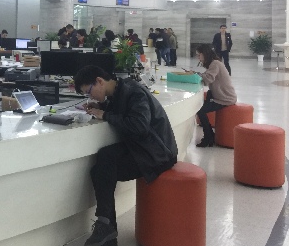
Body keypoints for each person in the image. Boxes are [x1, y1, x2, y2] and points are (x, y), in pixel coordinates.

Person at [74, 66, 178, 246]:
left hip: (158, 154)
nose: (90, 97)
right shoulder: (119, 91)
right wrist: (103, 107)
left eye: (89, 91)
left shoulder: (134, 92)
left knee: (103, 170)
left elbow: (139, 126)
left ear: (99, 81)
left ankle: (106, 227)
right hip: (143, 148)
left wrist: (105, 114)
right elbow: (125, 111)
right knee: (103, 162)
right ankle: (106, 227)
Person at [193, 44, 237, 147]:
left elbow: (207, 79)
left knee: (200, 110)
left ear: (205, 54)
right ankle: (210, 135)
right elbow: (207, 77)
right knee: (205, 100)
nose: (198, 57)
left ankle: (208, 136)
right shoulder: (214, 63)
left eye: (199, 55)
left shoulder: (215, 64)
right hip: (221, 96)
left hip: (225, 98)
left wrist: (197, 74)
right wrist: (198, 74)